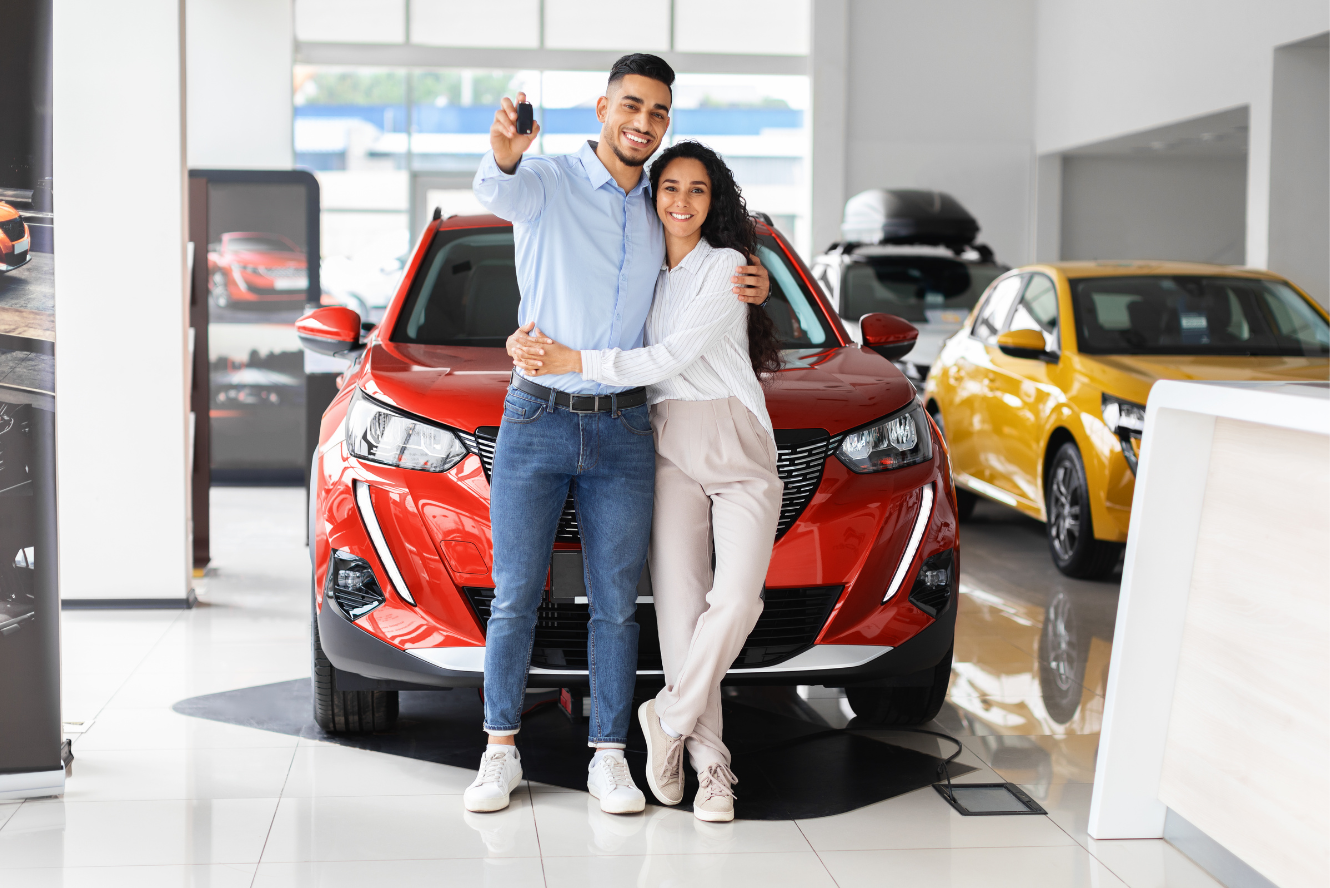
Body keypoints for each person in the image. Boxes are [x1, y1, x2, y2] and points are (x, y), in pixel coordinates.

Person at [462, 54, 771, 816]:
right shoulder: (554, 179)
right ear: (603, 107)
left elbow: (705, 270)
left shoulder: (660, 207)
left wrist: (754, 277)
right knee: (513, 600)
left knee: (614, 606)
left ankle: (609, 755)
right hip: (537, 413)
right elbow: (498, 186)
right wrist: (504, 149)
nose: (643, 122)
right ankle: (499, 750)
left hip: (632, 426)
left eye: (658, 112)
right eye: (631, 106)